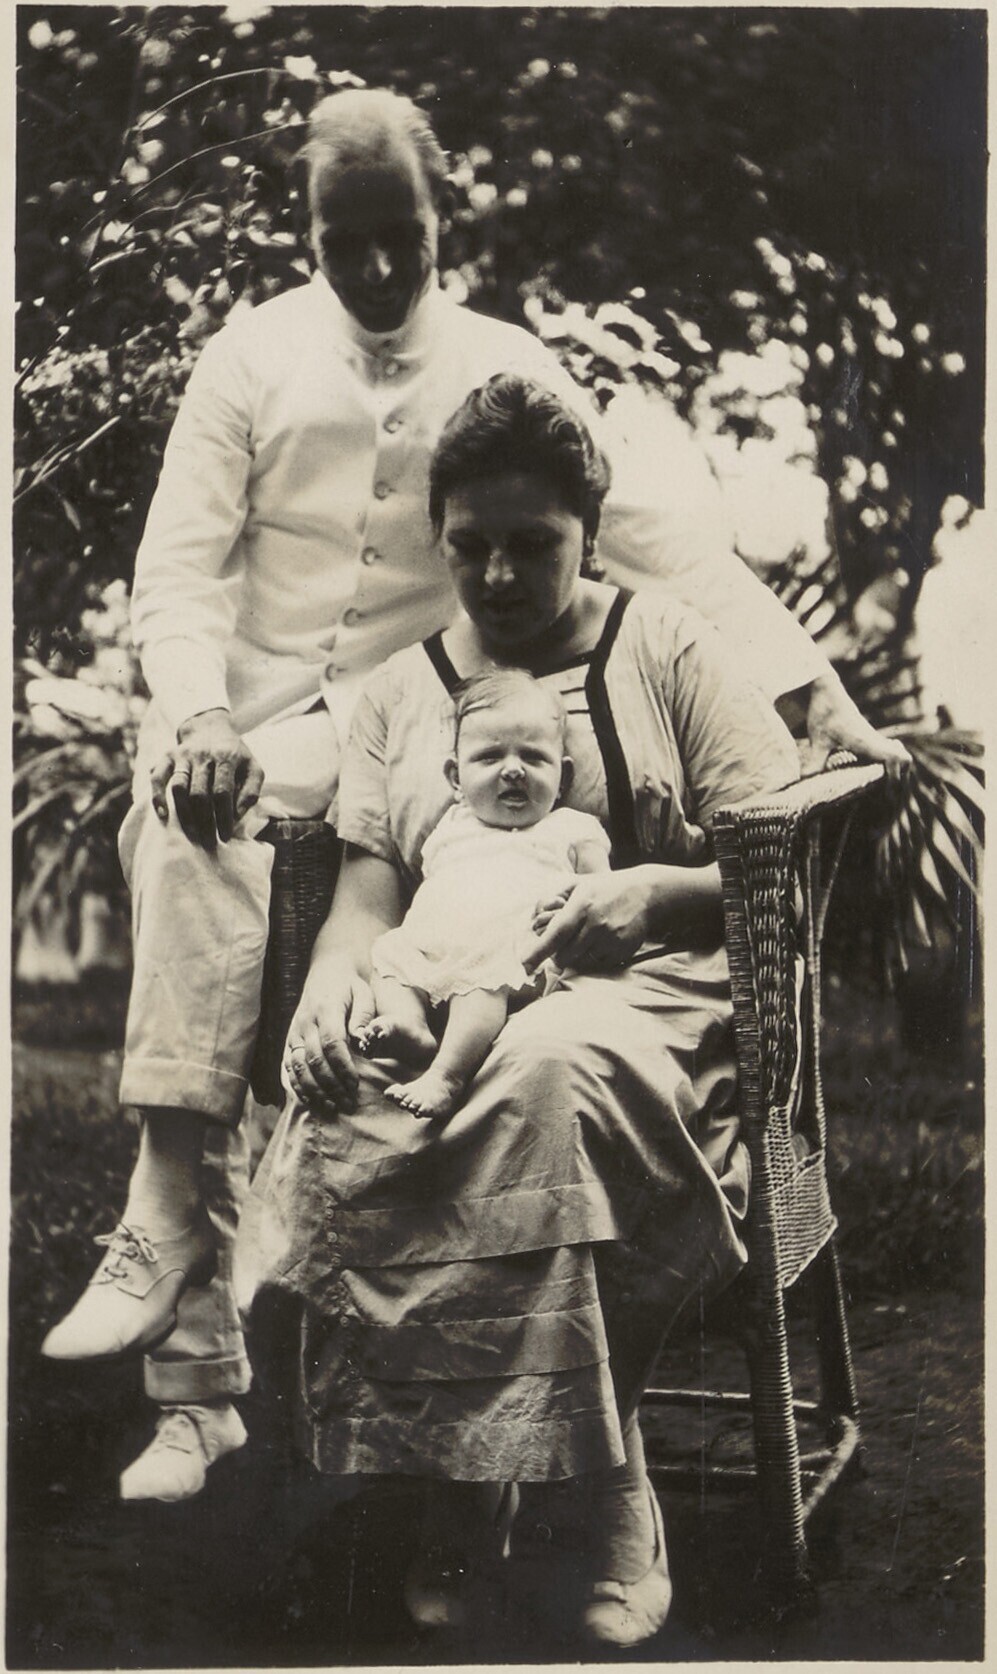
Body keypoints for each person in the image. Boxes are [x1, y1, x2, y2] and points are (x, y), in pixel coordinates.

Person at [40, 86, 905, 1505]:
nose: (378, 266)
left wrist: (814, 696)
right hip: (257, 728)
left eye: (406, 233)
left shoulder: (505, 362)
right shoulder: (249, 358)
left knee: (377, 1018)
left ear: (448, 214)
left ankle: (324, 1385)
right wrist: (195, 713)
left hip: (413, 736)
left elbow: (650, 537)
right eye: (344, 240)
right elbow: (179, 569)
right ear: (304, 228)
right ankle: (178, 1298)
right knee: (181, 829)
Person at [234, 374, 803, 1649]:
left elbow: (780, 857)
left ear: (588, 536)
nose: (497, 574)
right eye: (469, 544)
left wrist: (652, 896)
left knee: (545, 1067)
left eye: (533, 544)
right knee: (354, 1095)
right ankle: (462, 1473)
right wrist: (327, 994)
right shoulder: (400, 692)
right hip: (444, 989)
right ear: (436, 540)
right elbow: (367, 892)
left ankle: (602, 1492)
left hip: (653, 998)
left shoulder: (664, 646)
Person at [355, 669, 610, 1119]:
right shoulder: (450, 827)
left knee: (482, 981)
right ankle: (411, 1025)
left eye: (534, 757)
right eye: (490, 756)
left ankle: (446, 1077)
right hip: (440, 949)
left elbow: (604, 896)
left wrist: (571, 902)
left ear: (564, 777)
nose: (513, 769)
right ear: (456, 777)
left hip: (514, 959)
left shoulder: (571, 829)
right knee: (391, 961)